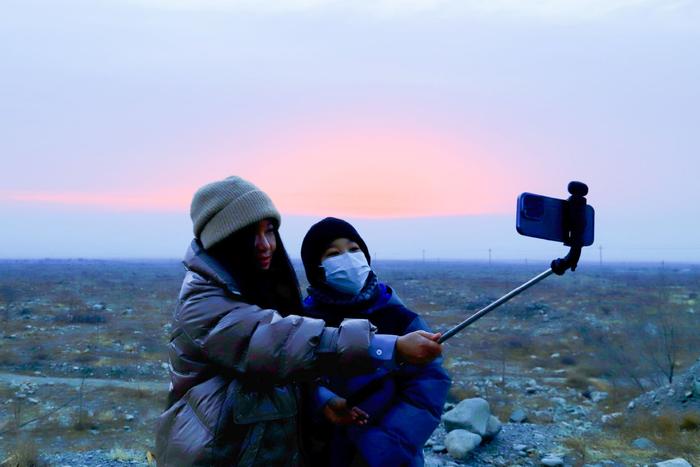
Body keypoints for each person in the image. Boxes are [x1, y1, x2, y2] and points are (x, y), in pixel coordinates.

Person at [154, 176, 443, 466]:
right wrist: (387, 347)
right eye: (249, 235)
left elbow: (425, 390)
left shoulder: (254, 292)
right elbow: (278, 342)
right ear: (222, 241)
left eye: (270, 232)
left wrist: (372, 441)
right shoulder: (206, 303)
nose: (266, 245)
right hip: (218, 454)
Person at [300, 217, 451, 467]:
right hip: (318, 453)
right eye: (333, 253)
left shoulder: (400, 318)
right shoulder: (302, 322)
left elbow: (427, 389)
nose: (347, 258)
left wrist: (379, 450)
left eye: (354, 249)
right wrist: (322, 399)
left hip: (389, 457)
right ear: (316, 268)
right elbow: (293, 380)